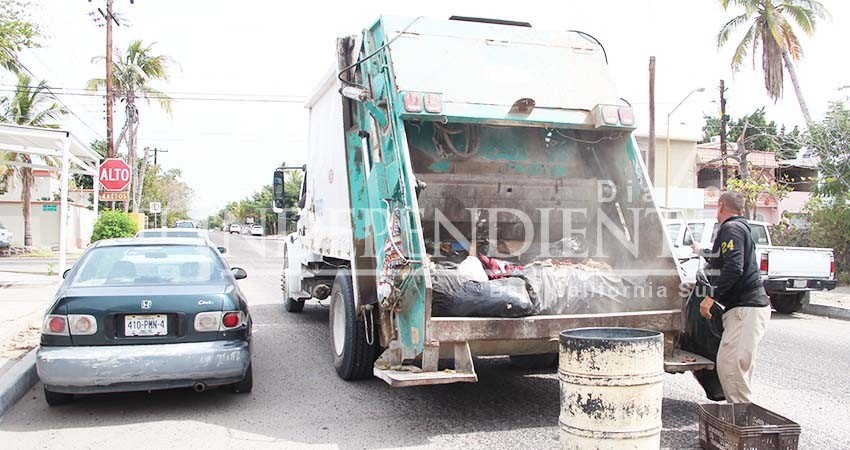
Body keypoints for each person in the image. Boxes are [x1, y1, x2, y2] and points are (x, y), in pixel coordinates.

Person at [691, 191, 770, 403]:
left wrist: (711, 297)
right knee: (737, 367)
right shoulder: (739, 228)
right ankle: (739, 419)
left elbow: (734, 268)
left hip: (746, 308)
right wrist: (701, 251)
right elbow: (722, 260)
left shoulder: (731, 228)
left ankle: (741, 423)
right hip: (747, 309)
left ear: (720, 206)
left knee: (730, 365)